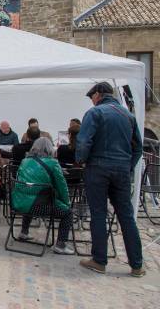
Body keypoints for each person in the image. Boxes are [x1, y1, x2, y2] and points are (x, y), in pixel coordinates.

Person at [76, 82, 145, 277]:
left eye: (92, 98)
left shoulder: (95, 113)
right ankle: (137, 264)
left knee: (98, 213)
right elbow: (138, 147)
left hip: (98, 167)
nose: (92, 101)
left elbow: (83, 141)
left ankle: (99, 260)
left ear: (98, 94)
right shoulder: (128, 116)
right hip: (122, 169)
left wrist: (81, 160)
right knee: (126, 216)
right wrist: (128, 166)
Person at [13, 138, 74, 255]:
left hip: (19, 203)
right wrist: (66, 203)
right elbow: (62, 187)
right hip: (40, 206)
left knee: (30, 194)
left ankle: (24, 232)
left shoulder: (24, 161)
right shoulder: (53, 163)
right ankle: (61, 245)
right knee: (68, 213)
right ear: (50, 148)